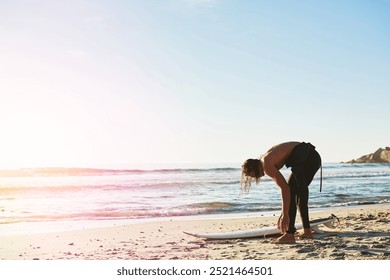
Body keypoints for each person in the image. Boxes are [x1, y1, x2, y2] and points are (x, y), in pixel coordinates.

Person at [241, 141, 322, 244]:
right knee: (299, 194)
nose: (256, 177)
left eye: (253, 175)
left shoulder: (266, 164)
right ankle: (306, 231)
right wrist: (284, 212)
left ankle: (289, 235)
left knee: (293, 192)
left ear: (254, 168)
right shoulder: (265, 159)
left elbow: (285, 189)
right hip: (310, 157)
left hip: (308, 159)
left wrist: (285, 214)